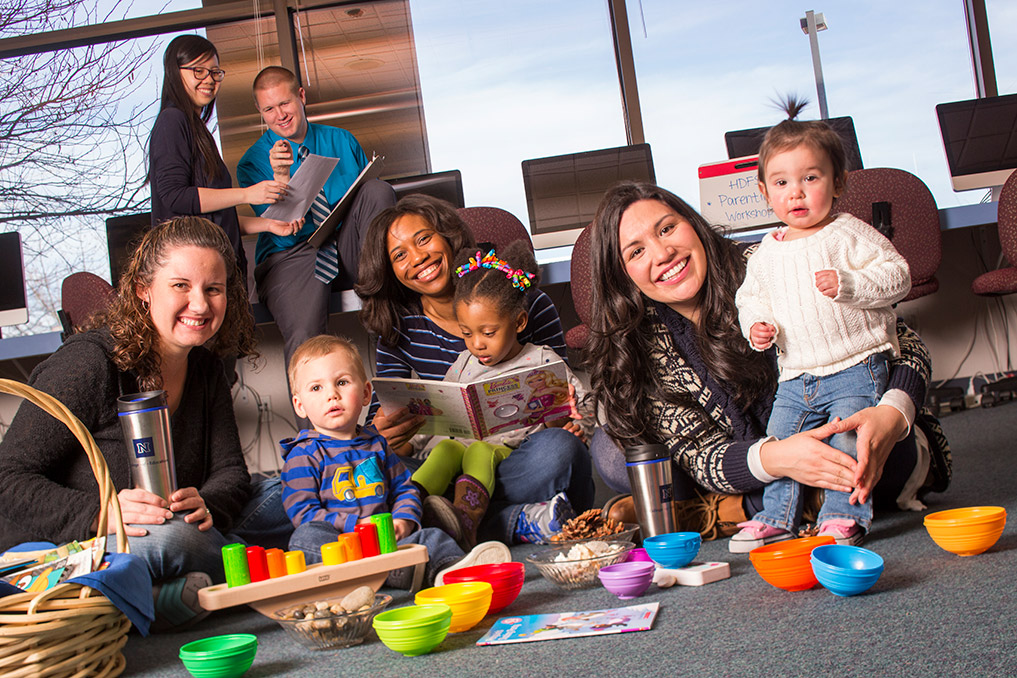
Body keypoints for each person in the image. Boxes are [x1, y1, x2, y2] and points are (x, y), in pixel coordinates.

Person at [584, 181, 952, 544]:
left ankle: (722, 512)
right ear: (622, 275)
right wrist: (777, 458)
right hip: (760, 460)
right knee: (616, 450)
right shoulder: (639, 340)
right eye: (636, 252)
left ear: (693, 224)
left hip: (842, 424)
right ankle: (799, 502)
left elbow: (904, 344)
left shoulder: (774, 262)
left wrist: (893, 414)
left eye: (667, 228)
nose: (662, 253)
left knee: (873, 451)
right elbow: (700, 456)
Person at [0, 216, 294, 631]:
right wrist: (104, 511)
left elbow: (230, 472)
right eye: (180, 286)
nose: (200, 304)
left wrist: (208, 501)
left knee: (291, 490)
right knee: (176, 539)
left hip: (177, 523)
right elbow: (7, 478)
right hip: (81, 540)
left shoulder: (207, 367)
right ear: (142, 290)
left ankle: (168, 593)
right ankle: (257, 569)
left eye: (214, 289)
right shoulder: (89, 363)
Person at [355, 194, 595, 546]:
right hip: (446, 462)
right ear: (390, 270)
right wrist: (390, 438)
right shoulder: (398, 328)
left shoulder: (525, 302)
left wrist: (570, 420)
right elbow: (390, 431)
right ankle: (516, 521)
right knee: (376, 472)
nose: (418, 257)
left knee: (560, 450)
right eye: (399, 254)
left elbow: (561, 398)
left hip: (516, 459)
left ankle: (442, 525)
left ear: (448, 237)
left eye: (423, 239)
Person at [729, 117, 911, 551]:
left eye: (810, 178)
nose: (796, 192)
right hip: (795, 375)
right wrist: (755, 326)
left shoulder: (847, 233)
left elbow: (898, 276)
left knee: (849, 438)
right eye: (781, 182)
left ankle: (843, 517)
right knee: (782, 441)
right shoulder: (764, 253)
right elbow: (749, 299)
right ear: (764, 192)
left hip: (855, 365)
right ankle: (776, 516)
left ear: (837, 182)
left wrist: (850, 284)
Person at [280, 335, 510, 588]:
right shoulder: (303, 454)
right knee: (306, 537)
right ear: (299, 405)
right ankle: (383, 572)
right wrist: (353, 526)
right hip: (341, 547)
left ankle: (451, 570)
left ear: (366, 393)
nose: (332, 395)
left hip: (387, 540)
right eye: (316, 388)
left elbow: (404, 488)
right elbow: (303, 512)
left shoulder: (377, 444)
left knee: (433, 536)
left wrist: (402, 519)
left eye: (342, 382)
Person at [411, 243, 594, 550]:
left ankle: (460, 523)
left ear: (519, 322)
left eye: (488, 332)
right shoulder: (463, 365)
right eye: (467, 333)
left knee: (560, 449)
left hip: (513, 468)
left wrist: (573, 424)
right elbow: (439, 416)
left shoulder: (543, 362)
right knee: (431, 456)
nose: (477, 344)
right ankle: (416, 512)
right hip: (461, 470)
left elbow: (583, 413)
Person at [236, 66, 396, 380]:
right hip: (293, 255)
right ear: (260, 111)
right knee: (306, 338)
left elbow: (367, 209)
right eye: (269, 109)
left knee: (378, 189)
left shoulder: (341, 140)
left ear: (301, 96)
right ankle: (313, 430)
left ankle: (387, 307)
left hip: (348, 248)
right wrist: (281, 177)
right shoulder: (253, 161)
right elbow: (279, 232)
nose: (279, 115)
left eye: (284, 103)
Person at [149, 35, 301, 286]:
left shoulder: (196, 129)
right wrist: (246, 195)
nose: (208, 80)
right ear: (175, 73)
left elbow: (214, 218)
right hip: (197, 276)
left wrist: (268, 224)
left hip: (218, 270)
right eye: (198, 71)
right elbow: (174, 196)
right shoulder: (172, 121)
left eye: (214, 72)